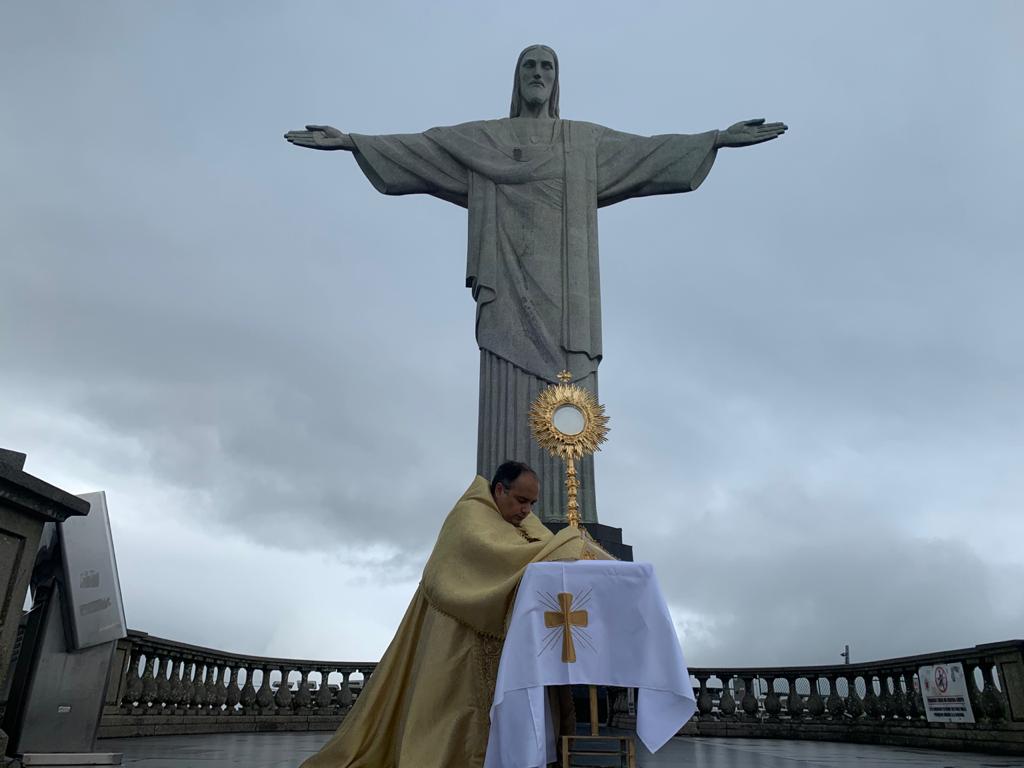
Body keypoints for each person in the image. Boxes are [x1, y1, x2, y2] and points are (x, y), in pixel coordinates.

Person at [284, 45, 787, 525]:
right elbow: (424, 148)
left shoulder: (583, 143)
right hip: (507, 286)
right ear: (517, 77)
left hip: (567, 298)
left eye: (547, 66)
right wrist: (353, 142)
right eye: (530, 65)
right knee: (508, 385)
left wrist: (715, 139)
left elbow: (647, 153)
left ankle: (574, 518)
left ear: (557, 79)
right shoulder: (485, 141)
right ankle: (500, 512)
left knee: (572, 395)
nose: (538, 74)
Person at [300, 462, 607, 768]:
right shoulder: (469, 516)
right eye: (521, 500)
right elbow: (502, 555)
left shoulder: (523, 522)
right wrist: (568, 546)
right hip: (457, 636)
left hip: (500, 641)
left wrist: (572, 549)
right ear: (500, 490)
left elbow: (543, 549)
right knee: (454, 715)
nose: (527, 510)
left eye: (532, 503)